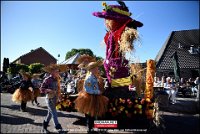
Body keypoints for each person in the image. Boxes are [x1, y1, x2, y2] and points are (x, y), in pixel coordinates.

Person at [74, 60, 108, 133]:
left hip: (96, 97)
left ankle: (98, 128)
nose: (98, 69)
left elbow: (94, 87)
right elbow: (88, 90)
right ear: (92, 69)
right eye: (96, 68)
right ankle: (89, 129)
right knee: (90, 115)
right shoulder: (89, 79)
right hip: (90, 98)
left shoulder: (95, 77)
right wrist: (98, 92)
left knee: (98, 114)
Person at [40, 64, 63, 133]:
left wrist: (59, 96)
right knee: (53, 112)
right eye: (56, 71)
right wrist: (48, 90)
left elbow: (58, 89)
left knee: (50, 114)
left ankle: (44, 125)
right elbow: (41, 89)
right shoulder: (47, 79)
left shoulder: (57, 79)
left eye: (58, 71)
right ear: (52, 72)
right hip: (49, 99)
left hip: (55, 98)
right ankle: (57, 126)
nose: (58, 73)